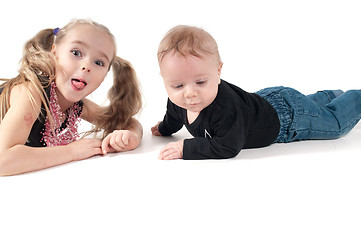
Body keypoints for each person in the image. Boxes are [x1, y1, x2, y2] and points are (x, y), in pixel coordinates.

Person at [151, 25, 361, 160]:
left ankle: (355, 97)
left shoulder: (227, 108)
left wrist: (186, 149)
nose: (189, 93)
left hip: (288, 120)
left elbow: (228, 146)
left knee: (334, 124)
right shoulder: (178, 101)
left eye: (200, 81)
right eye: (178, 86)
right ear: (165, 80)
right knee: (309, 106)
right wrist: (164, 128)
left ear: (218, 72)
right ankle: (330, 95)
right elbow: (173, 116)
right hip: (268, 101)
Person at [0, 19, 143, 176]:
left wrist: (131, 136)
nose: (86, 66)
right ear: (54, 53)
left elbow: (126, 121)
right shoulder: (30, 93)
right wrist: (70, 152)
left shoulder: (75, 106)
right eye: (76, 53)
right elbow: (3, 160)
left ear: (105, 75)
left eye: (98, 62)